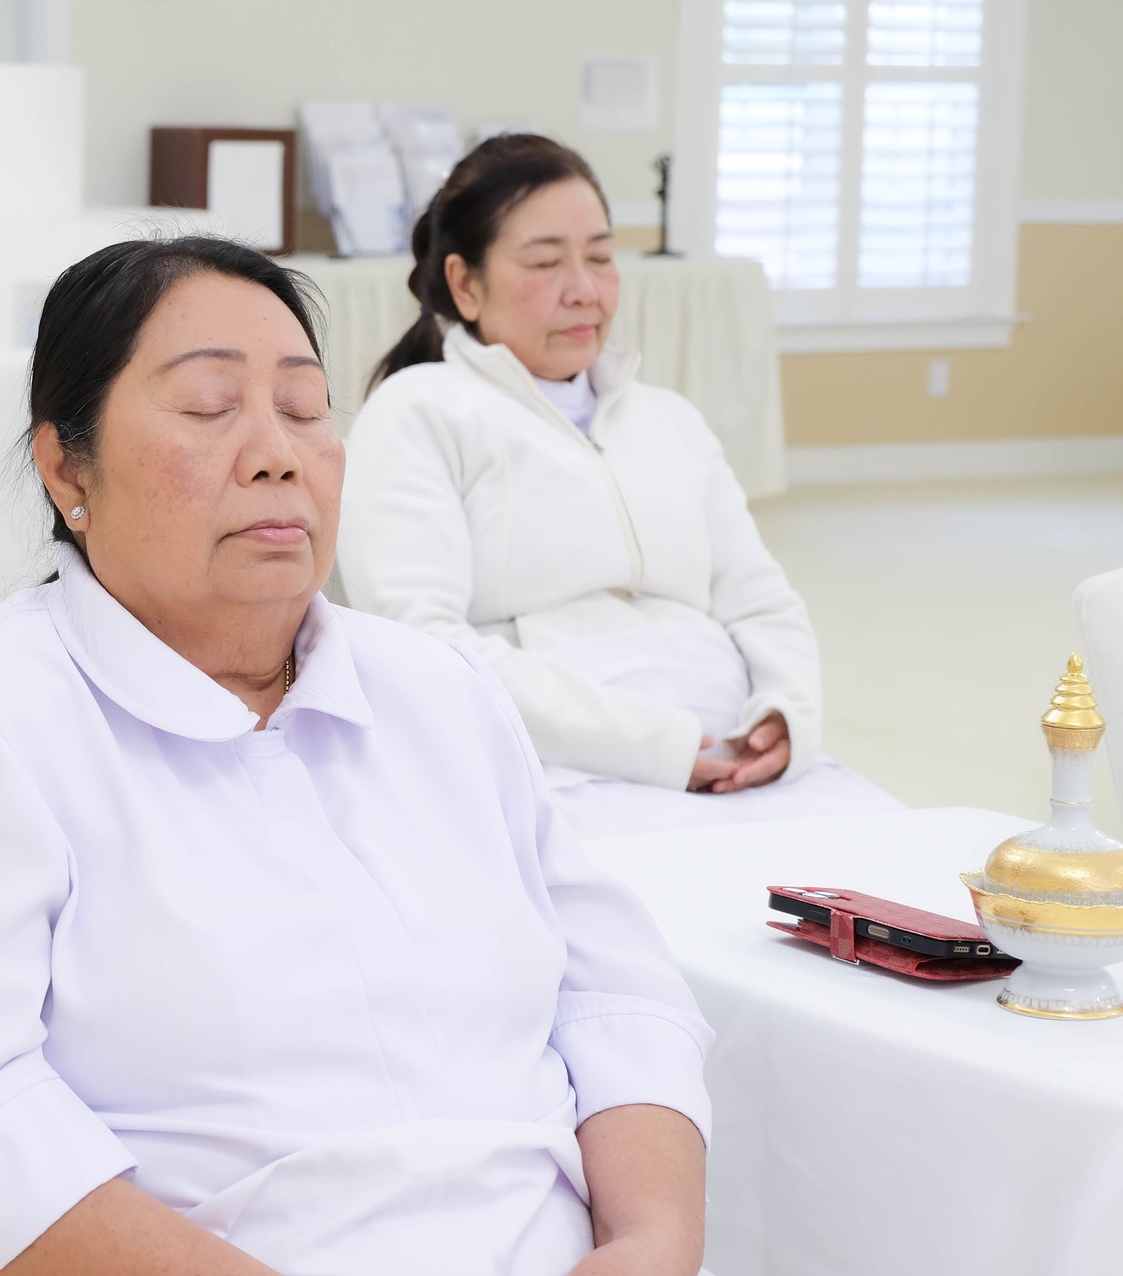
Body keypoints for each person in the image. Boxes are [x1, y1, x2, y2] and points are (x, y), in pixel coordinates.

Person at [0, 236, 772, 1276]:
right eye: (208, 407)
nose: (277, 454)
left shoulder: (439, 689)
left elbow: (612, 993)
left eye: (306, 408)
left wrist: (654, 1237)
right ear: (67, 469)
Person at [336, 135, 896, 839]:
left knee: (898, 873)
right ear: (465, 284)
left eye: (601, 257)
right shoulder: (417, 412)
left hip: (733, 747)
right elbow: (424, 644)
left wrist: (786, 716)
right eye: (546, 262)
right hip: (556, 762)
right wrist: (660, 745)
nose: (585, 289)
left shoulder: (669, 418)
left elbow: (759, 599)